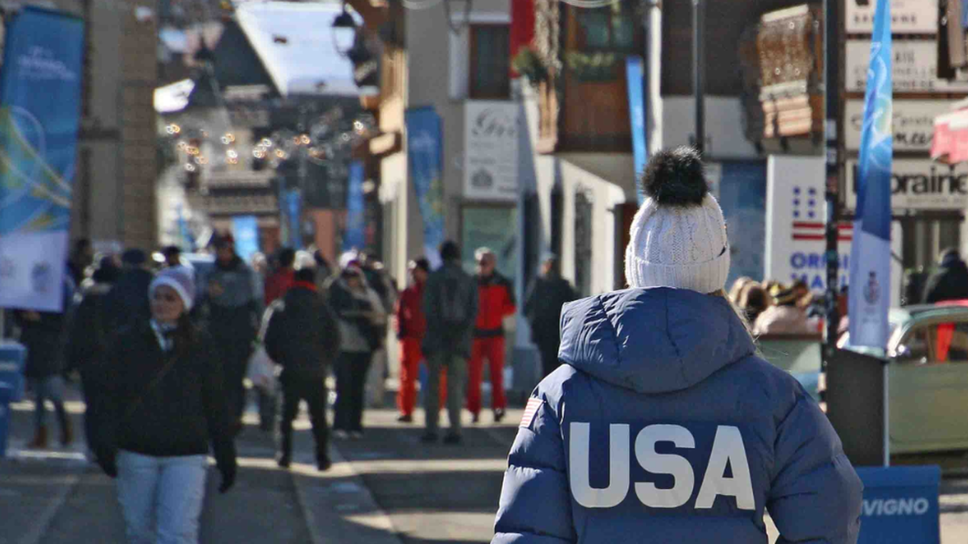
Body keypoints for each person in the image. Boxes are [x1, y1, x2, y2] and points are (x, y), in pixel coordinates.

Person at [492, 146, 862, 543]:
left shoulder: (560, 395)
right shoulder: (775, 398)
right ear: (718, 270)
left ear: (634, 266)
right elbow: (829, 516)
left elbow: (527, 533)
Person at [94, 267, 237, 544]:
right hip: (137, 450)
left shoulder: (201, 344)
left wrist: (225, 453)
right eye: (157, 297)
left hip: (186, 452)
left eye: (170, 298)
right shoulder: (127, 340)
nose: (161, 303)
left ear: (185, 303)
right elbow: (108, 396)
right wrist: (103, 442)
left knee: (178, 533)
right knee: (139, 531)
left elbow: (215, 402)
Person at [263, 268, 340, 470]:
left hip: (289, 370)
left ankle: (284, 455)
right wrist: (324, 361)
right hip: (316, 370)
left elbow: (268, 338)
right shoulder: (322, 306)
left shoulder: (280, 305)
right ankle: (322, 458)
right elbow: (334, 338)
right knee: (318, 417)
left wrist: (279, 359)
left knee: (285, 416)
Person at [195, 233, 263, 433]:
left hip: (240, 332)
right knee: (217, 377)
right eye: (220, 249)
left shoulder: (247, 273)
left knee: (236, 378)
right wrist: (207, 296)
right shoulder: (210, 273)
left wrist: (259, 330)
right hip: (216, 331)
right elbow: (200, 304)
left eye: (226, 249)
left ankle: (235, 417)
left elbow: (257, 303)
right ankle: (219, 417)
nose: (223, 253)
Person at [421, 241, 478, 444]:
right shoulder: (468, 279)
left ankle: (431, 429)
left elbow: (427, 309)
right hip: (459, 342)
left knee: (433, 387)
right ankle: (455, 430)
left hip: (436, 340)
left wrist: (437, 330)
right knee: (455, 387)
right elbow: (473, 311)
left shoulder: (433, 278)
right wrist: (462, 332)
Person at [67, 257, 121, 450]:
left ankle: (93, 447)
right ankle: (109, 446)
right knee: (113, 407)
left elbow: (75, 332)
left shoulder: (86, 299)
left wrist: (71, 363)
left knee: (92, 407)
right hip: (114, 361)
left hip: (89, 361)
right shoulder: (120, 300)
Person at [15, 276, 75, 449]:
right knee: (39, 394)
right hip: (35, 345)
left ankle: (62, 428)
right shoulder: (31, 291)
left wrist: (39, 319)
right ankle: (43, 433)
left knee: (51, 390)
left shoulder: (60, 289)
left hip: (50, 347)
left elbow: (63, 321)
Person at [329, 266, 386, 438]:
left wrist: (368, 316)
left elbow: (380, 316)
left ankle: (355, 426)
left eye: (354, 277)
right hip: (342, 347)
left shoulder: (369, 294)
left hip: (363, 347)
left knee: (357, 387)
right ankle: (340, 425)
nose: (351, 281)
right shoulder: (337, 295)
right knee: (343, 386)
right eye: (348, 278)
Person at [467, 248, 516, 424]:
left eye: (485, 262)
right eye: (479, 262)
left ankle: (498, 408)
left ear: (493, 263)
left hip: (495, 334)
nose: (482, 266)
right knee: (474, 376)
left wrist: (496, 312)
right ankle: (474, 410)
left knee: (497, 375)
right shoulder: (471, 282)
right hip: (475, 335)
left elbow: (511, 306)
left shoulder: (503, 282)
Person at [395, 258, 440, 423]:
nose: (412, 274)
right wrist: (401, 332)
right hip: (410, 339)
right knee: (407, 377)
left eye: (415, 270)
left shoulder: (435, 291)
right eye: (410, 271)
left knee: (436, 377)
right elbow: (399, 313)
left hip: (430, 339)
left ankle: (435, 411)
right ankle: (406, 411)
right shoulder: (407, 292)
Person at [524, 253, 578, 379]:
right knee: (547, 364)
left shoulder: (563, 285)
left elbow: (572, 307)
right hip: (545, 331)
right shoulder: (539, 284)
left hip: (558, 331)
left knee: (555, 363)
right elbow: (527, 307)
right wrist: (534, 324)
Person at [105, 249, 154, 331]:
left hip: (123, 327)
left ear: (125, 263)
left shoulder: (120, 280)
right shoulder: (152, 280)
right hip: (148, 327)